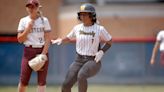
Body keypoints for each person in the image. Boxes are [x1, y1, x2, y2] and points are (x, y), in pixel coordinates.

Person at [51, 3, 112, 92]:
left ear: (91, 15)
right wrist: (61, 40)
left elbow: (109, 41)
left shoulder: (100, 29)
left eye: (85, 14)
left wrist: (102, 51)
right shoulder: (77, 28)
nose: (82, 16)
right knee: (66, 85)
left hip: (93, 61)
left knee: (81, 75)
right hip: (78, 60)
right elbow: (68, 38)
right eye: (81, 14)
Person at [17, 0, 51, 92]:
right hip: (29, 51)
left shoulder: (44, 20)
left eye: (33, 7)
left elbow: (48, 39)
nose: (30, 9)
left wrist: (43, 54)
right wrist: (28, 28)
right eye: (29, 6)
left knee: (41, 81)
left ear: (37, 8)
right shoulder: (23, 21)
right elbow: (20, 39)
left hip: (42, 50)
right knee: (24, 80)